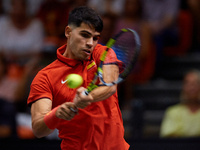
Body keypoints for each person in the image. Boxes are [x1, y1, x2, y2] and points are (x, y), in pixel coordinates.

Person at [27, 6, 130, 150]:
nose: (90, 43)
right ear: (68, 32)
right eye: (85, 35)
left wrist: (89, 97)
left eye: (95, 38)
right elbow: (38, 129)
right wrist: (56, 114)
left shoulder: (103, 53)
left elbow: (110, 85)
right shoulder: (45, 77)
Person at [160, 69, 200, 137]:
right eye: (188, 83)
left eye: (195, 83)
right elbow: (168, 137)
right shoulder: (173, 112)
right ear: (183, 87)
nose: (191, 87)